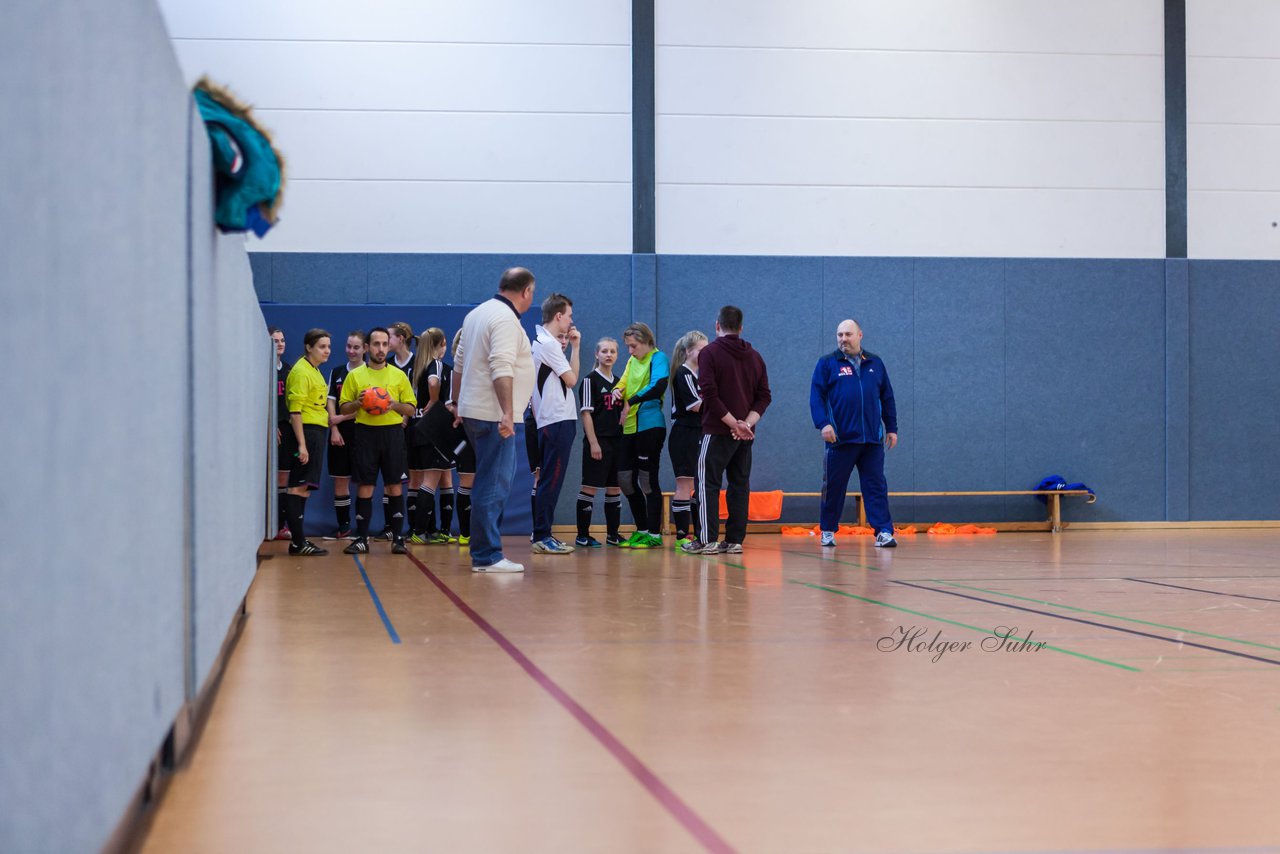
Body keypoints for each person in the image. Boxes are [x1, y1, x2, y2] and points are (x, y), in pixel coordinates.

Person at [451, 267, 537, 573]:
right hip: (494, 415)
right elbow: (501, 366)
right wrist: (507, 412)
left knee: (488, 481)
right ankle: (486, 556)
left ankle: (484, 551)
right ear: (526, 291)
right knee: (493, 485)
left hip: (476, 412)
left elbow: (458, 364)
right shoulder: (504, 319)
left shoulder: (476, 314)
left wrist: (456, 402)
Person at [682, 306, 771, 556]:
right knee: (739, 484)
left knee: (706, 484)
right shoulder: (755, 356)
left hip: (717, 431)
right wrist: (746, 424)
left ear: (716, 325)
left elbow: (709, 393)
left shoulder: (709, 353)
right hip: (744, 435)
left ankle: (707, 539)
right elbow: (764, 397)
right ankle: (734, 540)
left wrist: (734, 424)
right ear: (741, 327)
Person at [809, 319, 899, 548]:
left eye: (848, 334)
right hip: (840, 440)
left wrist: (891, 428)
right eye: (839, 335)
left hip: (871, 440)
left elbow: (887, 396)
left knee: (876, 486)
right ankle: (828, 530)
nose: (843, 339)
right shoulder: (828, 363)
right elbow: (816, 398)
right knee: (834, 487)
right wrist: (823, 424)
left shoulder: (875, 363)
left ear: (860, 335)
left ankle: (883, 532)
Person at [337, 327, 418, 555]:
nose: (381, 349)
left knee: (394, 486)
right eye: (376, 344)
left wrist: (393, 404)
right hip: (364, 434)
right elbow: (344, 407)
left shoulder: (398, 376)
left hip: (392, 434)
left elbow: (411, 410)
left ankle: (398, 539)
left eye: (384, 344)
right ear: (367, 347)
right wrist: (358, 403)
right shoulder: (355, 376)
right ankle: (362, 539)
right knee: (366, 485)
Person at [530, 294, 581, 554]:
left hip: (555, 419)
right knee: (551, 479)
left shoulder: (545, 342)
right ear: (559, 316)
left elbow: (568, 377)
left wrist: (575, 348)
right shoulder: (548, 344)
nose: (571, 320)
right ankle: (542, 535)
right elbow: (572, 380)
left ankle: (542, 533)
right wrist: (571, 350)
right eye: (569, 315)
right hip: (556, 419)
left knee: (550, 478)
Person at [617, 322, 670, 549]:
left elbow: (658, 385)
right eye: (628, 346)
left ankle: (655, 535)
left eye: (633, 346)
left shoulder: (658, 358)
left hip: (650, 425)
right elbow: (624, 381)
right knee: (625, 480)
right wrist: (617, 391)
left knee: (647, 481)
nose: (630, 351)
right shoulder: (632, 360)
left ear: (647, 342)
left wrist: (631, 400)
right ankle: (642, 530)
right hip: (629, 427)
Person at [282, 329, 332, 556]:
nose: (327, 351)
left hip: (317, 432)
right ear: (308, 347)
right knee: (297, 486)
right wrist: (302, 445)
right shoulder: (302, 372)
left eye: (328, 347)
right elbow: (295, 412)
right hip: (307, 433)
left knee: (304, 489)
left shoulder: (315, 371)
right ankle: (298, 543)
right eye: (322, 346)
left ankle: (299, 542)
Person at [408, 328, 456, 544]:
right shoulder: (434, 364)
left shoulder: (416, 367)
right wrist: (435, 400)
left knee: (440, 478)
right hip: (434, 428)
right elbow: (434, 383)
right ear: (441, 344)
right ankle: (419, 531)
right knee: (430, 480)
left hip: (420, 428)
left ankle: (436, 530)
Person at [575, 338, 624, 547]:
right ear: (597, 354)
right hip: (599, 441)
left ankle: (613, 534)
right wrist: (594, 442)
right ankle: (582, 535)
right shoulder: (590, 381)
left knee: (615, 488)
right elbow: (586, 414)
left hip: (618, 442)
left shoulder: (620, 382)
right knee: (590, 487)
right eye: (604, 351)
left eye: (612, 351)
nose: (608, 355)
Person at [324, 329, 366, 540]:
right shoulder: (337, 372)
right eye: (349, 346)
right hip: (338, 433)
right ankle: (344, 527)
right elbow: (331, 400)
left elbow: (369, 407)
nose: (351, 350)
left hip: (362, 432)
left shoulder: (369, 373)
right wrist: (334, 427)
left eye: (356, 347)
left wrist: (342, 418)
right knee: (341, 480)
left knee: (362, 482)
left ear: (364, 348)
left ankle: (362, 529)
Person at [667, 330, 708, 547]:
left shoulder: (697, 376)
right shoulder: (683, 373)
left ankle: (695, 534)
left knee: (695, 484)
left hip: (696, 433)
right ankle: (681, 536)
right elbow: (695, 406)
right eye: (701, 350)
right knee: (683, 485)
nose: (705, 354)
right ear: (687, 351)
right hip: (684, 433)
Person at [384, 320, 416, 538]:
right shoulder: (387, 364)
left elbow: (414, 395)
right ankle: (389, 527)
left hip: (413, 427)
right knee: (390, 479)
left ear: (401, 339)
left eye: (389, 338)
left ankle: (416, 527)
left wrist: (405, 417)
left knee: (414, 477)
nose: (385, 343)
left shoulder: (417, 363)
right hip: (389, 428)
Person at [444, 328, 473, 547]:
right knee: (467, 481)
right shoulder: (456, 371)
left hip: (486, 430)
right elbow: (448, 401)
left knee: (487, 483)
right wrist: (456, 409)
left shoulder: (484, 368)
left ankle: (481, 531)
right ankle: (465, 533)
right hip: (464, 432)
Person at [269, 326, 292, 540]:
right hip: (269, 428)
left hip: (286, 428)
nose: (281, 343)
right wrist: (269, 424)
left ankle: (281, 525)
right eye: (276, 341)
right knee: (270, 478)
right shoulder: (261, 369)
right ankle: (268, 524)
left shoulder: (288, 369)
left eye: (283, 339)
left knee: (284, 478)